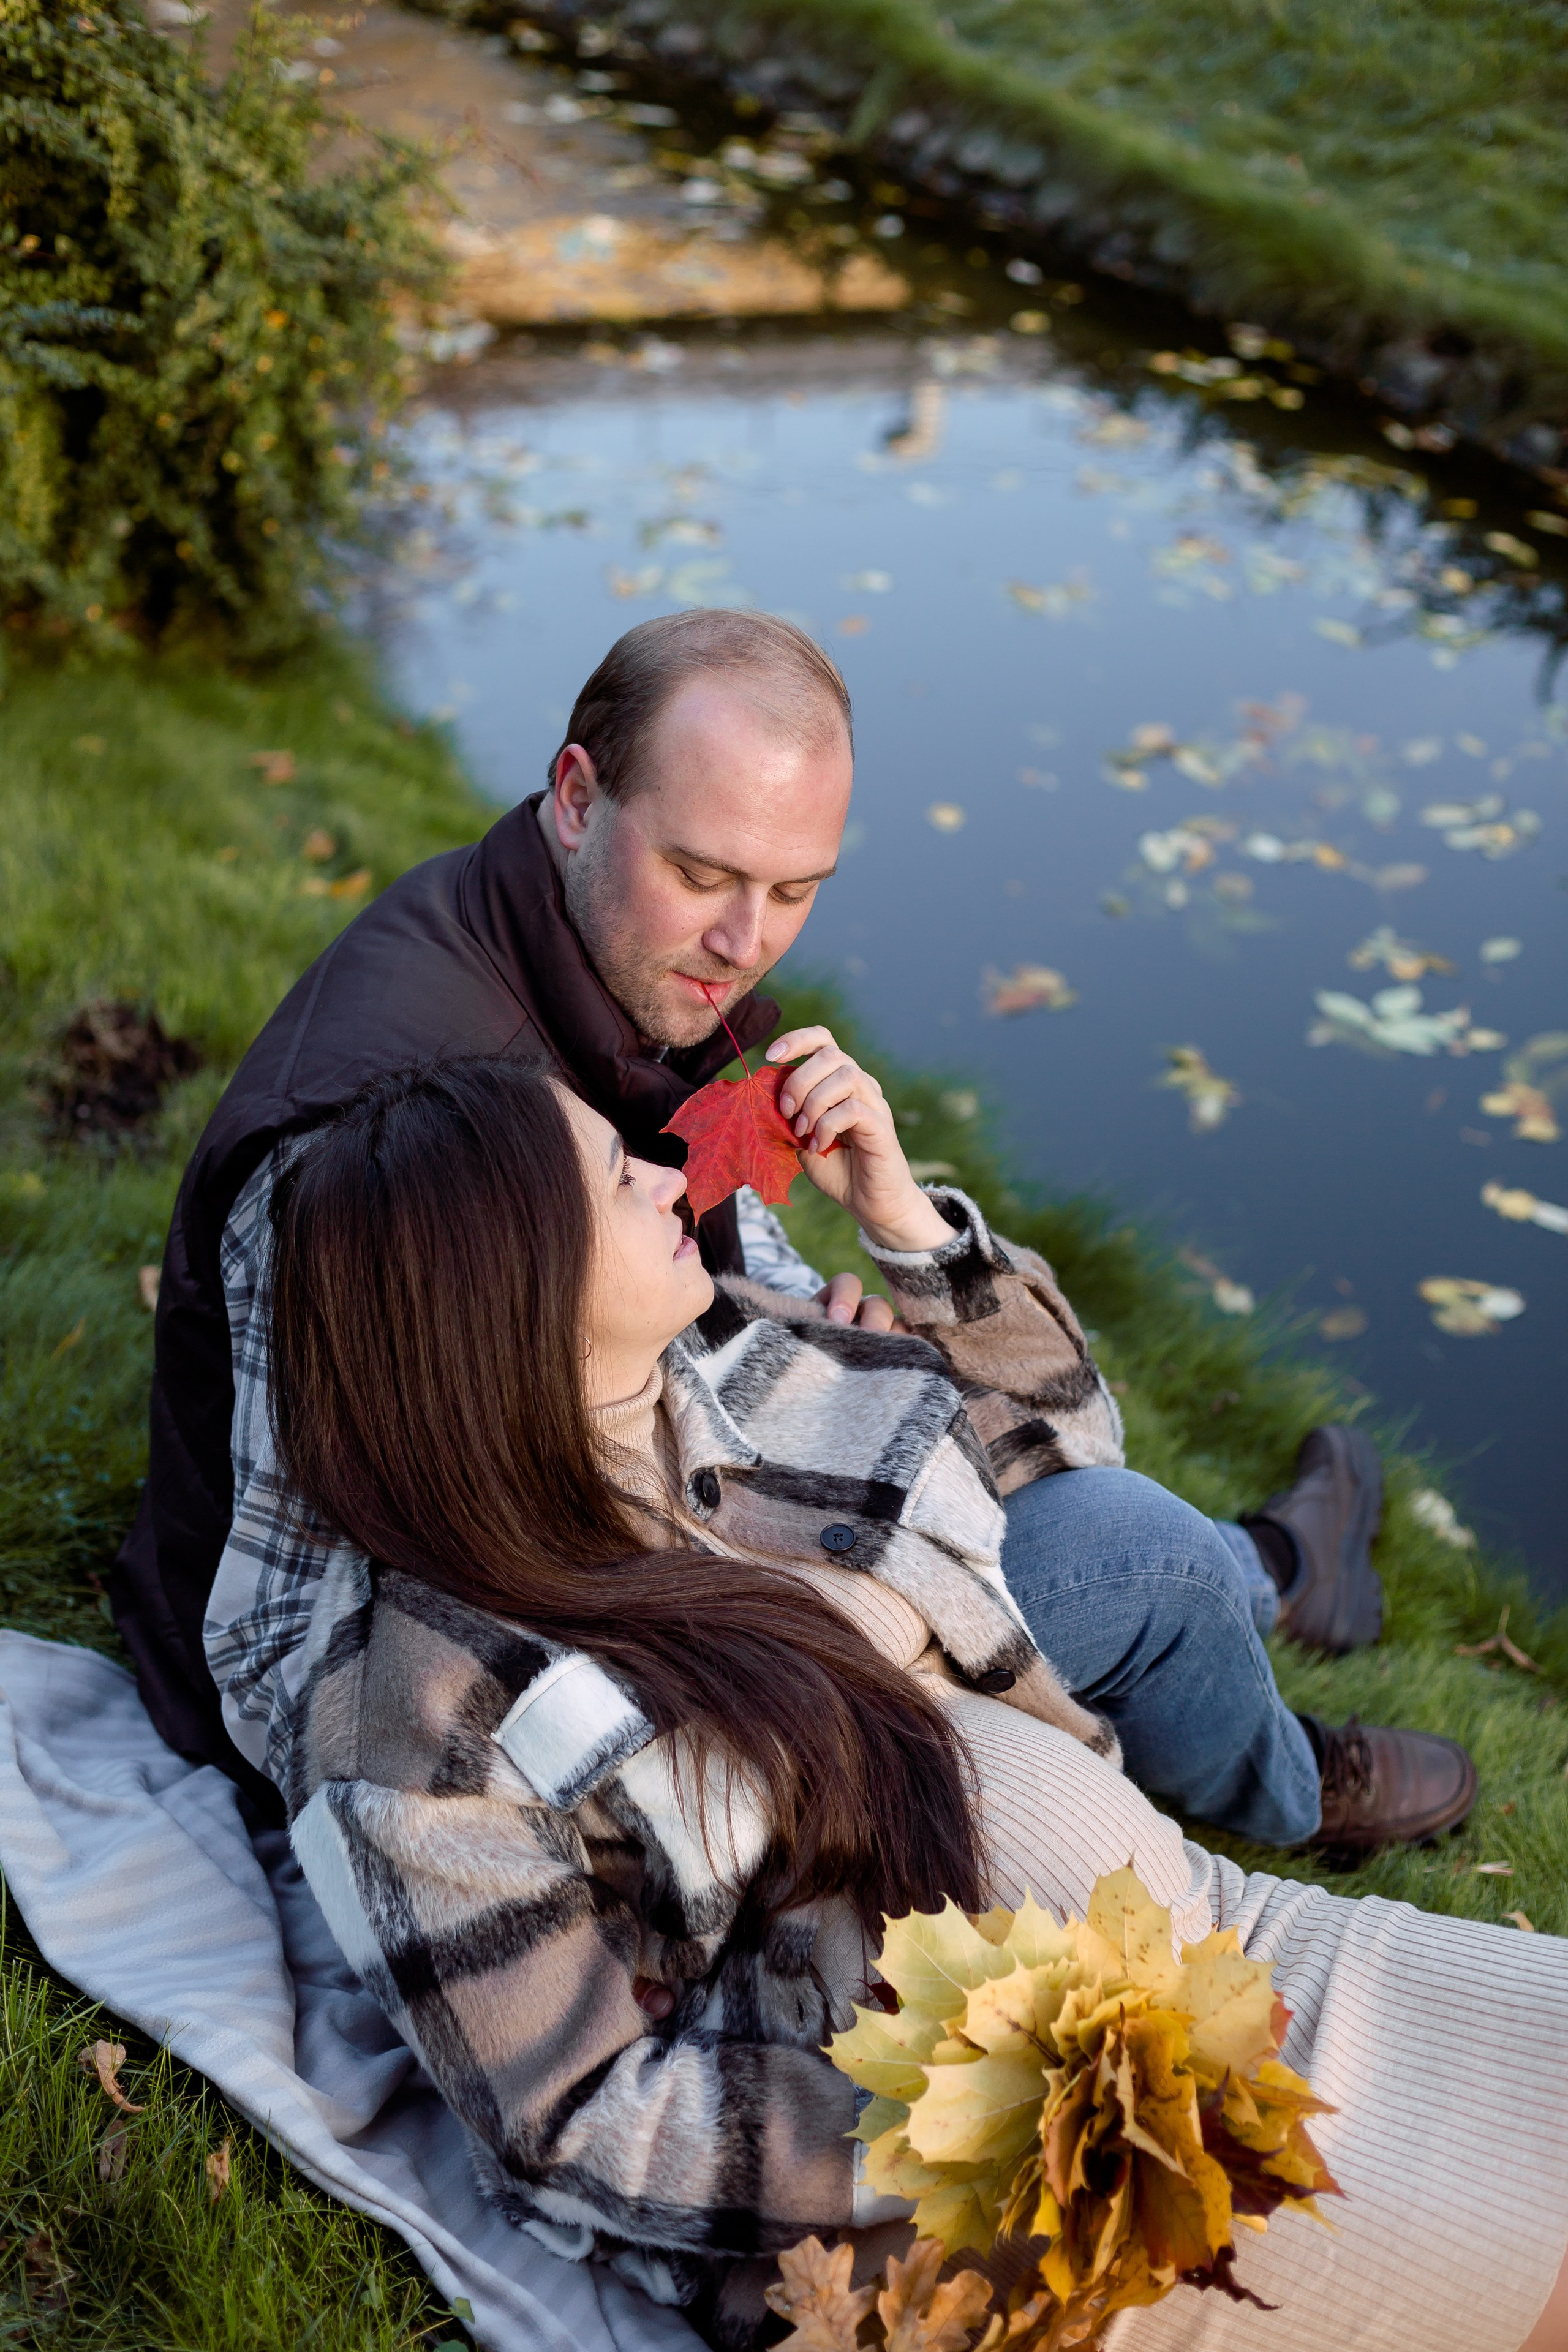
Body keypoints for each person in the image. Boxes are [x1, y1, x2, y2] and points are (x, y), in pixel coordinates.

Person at [264, 1053, 1568, 2352]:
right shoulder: (424, 1709)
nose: (667, 1173)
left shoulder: (736, 1353)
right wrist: (988, 2115)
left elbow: (1069, 1441)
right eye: (619, 1175)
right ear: (512, 1286)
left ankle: (1277, 1686)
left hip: (1236, 1949)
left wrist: (901, 1224)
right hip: (1041, 2191)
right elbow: (576, 2119)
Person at [111, 607, 1472, 1850]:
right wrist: (785, 1467)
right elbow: (339, 1606)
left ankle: (1275, 1569)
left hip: (661, 1533)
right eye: (704, 873)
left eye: (795, 888)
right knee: (1134, 1550)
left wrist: (841, 1288)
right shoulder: (372, 1142)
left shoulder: (601, 963)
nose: (746, 943)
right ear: (578, 798)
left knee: (986, 1445)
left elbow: (670, 1284)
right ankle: (1285, 1773)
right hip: (613, 1682)